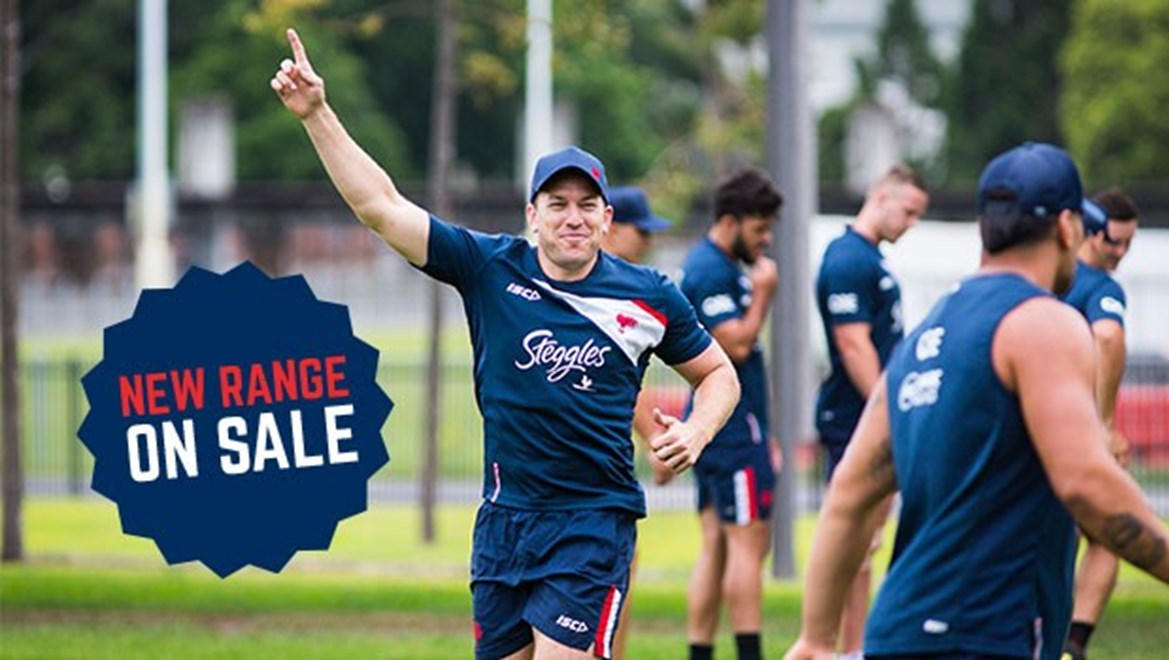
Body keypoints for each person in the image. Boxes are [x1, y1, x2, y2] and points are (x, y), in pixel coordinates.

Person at [270, 29, 741, 660]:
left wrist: (697, 432)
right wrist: (316, 114)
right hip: (503, 524)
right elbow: (381, 207)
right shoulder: (489, 267)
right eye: (557, 203)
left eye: (587, 205)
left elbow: (719, 374)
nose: (572, 217)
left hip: (592, 523)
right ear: (532, 214)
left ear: (606, 219)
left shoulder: (649, 294)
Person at [785, 142, 1169, 660]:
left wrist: (815, 638)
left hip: (898, 633)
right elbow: (1087, 486)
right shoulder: (1043, 322)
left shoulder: (924, 336)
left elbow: (847, 500)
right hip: (986, 634)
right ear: (1066, 227)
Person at [812, 165, 929, 659]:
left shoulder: (870, 258)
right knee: (854, 538)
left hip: (869, 416)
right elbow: (852, 343)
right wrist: (890, 410)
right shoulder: (847, 259)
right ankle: (841, 647)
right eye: (908, 211)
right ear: (881, 197)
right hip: (853, 419)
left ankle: (854, 647)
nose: (911, 223)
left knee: (868, 540)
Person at [678, 169, 784, 660]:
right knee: (747, 542)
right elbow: (734, 346)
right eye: (759, 228)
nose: (765, 240)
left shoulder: (719, 265)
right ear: (730, 221)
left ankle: (700, 653)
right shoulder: (710, 271)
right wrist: (763, 295)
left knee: (719, 546)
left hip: (729, 428)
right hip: (732, 431)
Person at [1061, 188, 1141, 660]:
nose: (1120, 253)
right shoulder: (1101, 289)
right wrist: (1105, 424)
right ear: (1091, 233)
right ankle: (1072, 642)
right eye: (1114, 241)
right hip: (1073, 433)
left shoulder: (1045, 276)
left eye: (1129, 243)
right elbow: (1108, 337)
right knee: (1108, 531)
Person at [600, 185, 674, 660]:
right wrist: (653, 439)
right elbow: (615, 384)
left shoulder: (629, 287)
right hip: (581, 480)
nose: (648, 241)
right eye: (640, 231)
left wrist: (654, 438)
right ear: (612, 227)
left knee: (622, 561)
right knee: (616, 561)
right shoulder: (604, 291)